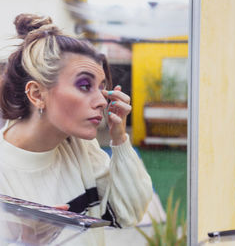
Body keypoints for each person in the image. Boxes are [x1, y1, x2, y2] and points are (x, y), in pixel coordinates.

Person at [0, 14, 153, 245]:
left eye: (102, 87)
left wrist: (119, 137)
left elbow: (127, 214)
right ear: (37, 94)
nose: (102, 101)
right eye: (84, 85)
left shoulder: (79, 146)